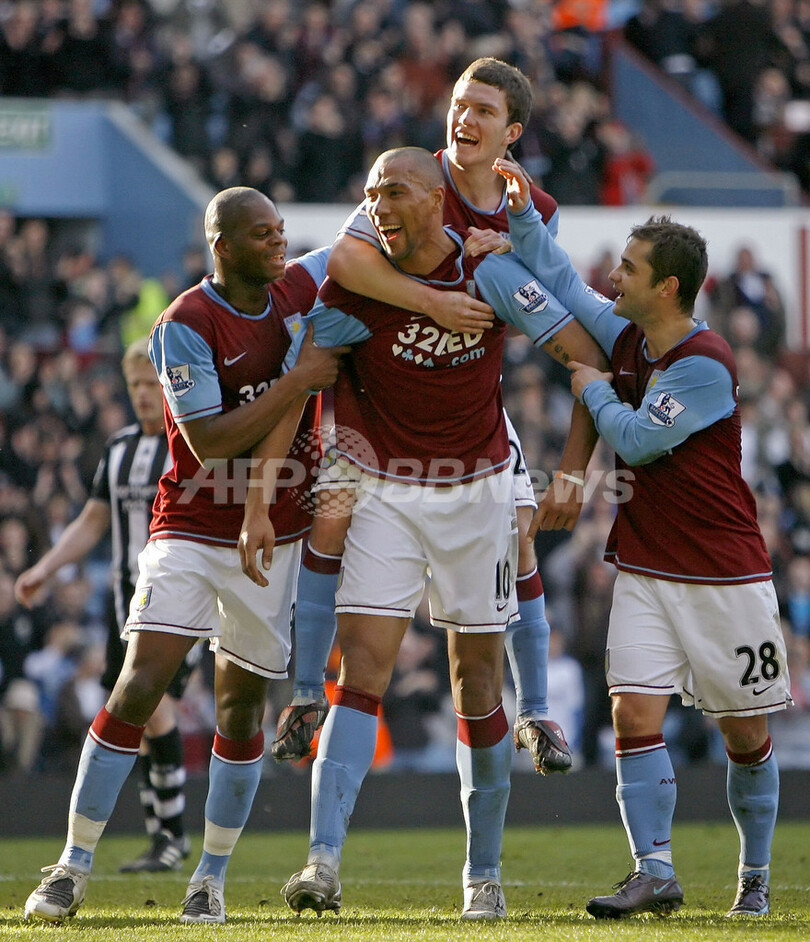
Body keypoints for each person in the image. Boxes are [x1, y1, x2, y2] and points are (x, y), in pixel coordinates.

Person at [240, 146, 608, 920]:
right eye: (370, 192)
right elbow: (302, 379)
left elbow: (585, 356)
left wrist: (573, 468)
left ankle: (483, 875)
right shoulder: (353, 284)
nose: (378, 205)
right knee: (363, 671)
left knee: (476, 682)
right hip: (385, 498)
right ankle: (322, 863)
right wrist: (260, 495)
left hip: (475, 498)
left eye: (396, 190)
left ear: (439, 200)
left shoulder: (494, 277)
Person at [23, 186, 348, 925]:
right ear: (222, 246)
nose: (280, 242)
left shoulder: (298, 284)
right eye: (262, 234)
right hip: (192, 529)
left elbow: (368, 236)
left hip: (278, 533)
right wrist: (297, 380)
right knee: (140, 681)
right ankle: (71, 866)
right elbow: (210, 442)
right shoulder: (184, 324)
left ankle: (209, 877)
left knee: (238, 709)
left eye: (281, 231)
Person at [273, 57, 593, 777]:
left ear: (511, 132)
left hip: (467, 409)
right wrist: (439, 299)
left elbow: (550, 304)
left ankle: (537, 710)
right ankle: (302, 695)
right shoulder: (412, 179)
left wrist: (504, 266)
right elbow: (349, 265)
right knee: (330, 516)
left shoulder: (531, 208)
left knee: (521, 525)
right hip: (378, 394)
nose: (464, 119)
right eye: (458, 104)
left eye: (482, 110)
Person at [501, 158, 791, 918]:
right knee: (633, 716)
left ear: (667, 286)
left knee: (745, 732)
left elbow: (633, 441)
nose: (613, 276)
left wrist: (591, 384)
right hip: (645, 568)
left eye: (628, 267)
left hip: (725, 575)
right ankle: (654, 869)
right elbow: (562, 282)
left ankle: (754, 877)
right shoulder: (624, 335)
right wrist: (523, 213)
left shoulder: (704, 364)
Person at [15, 339, 198, 873]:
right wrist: (45, 568)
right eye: (137, 385)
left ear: (169, 388)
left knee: (151, 708)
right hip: (125, 608)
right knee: (134, 722)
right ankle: (164, 835)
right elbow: (94, 519)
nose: (144, 394)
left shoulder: (189, 442)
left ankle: (171, 837)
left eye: (153, 385)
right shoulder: (117, 449)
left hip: (178, 602)